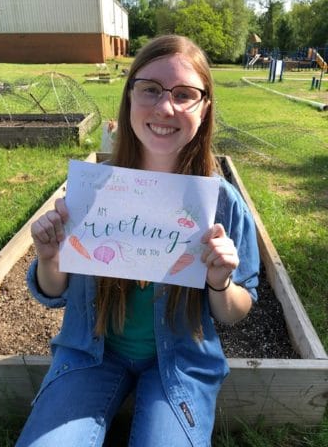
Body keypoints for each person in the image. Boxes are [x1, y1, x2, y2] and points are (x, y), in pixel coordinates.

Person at [16, 34, 260, 447]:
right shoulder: (92, 192)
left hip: (180, 365)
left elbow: (236, 312)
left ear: (205, 108)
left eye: (184, 94)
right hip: (90, 355)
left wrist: (220, 281)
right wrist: (50, 258)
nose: (165, 107)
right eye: (150, 89)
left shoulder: (221, 203)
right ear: (129, 96)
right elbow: (53, 293)